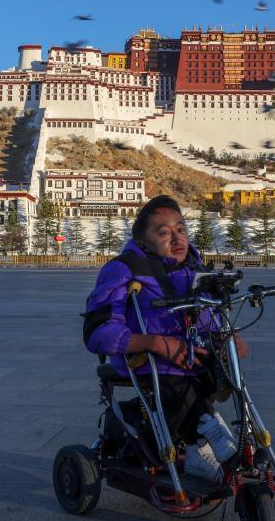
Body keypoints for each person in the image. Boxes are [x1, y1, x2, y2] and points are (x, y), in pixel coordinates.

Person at [84, 195, 248, 482]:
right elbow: (98, 332)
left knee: (222, 376)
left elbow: (211, 318)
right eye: (163, 233)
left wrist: (227, 338)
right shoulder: (123, 269)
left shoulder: (196, 270)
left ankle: (204, 439)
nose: (177, 238)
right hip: (145, 358)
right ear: (143, 241)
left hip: (191, 357)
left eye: (181, 229)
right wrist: (156, 343)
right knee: (179, 387)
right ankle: (204, 432)